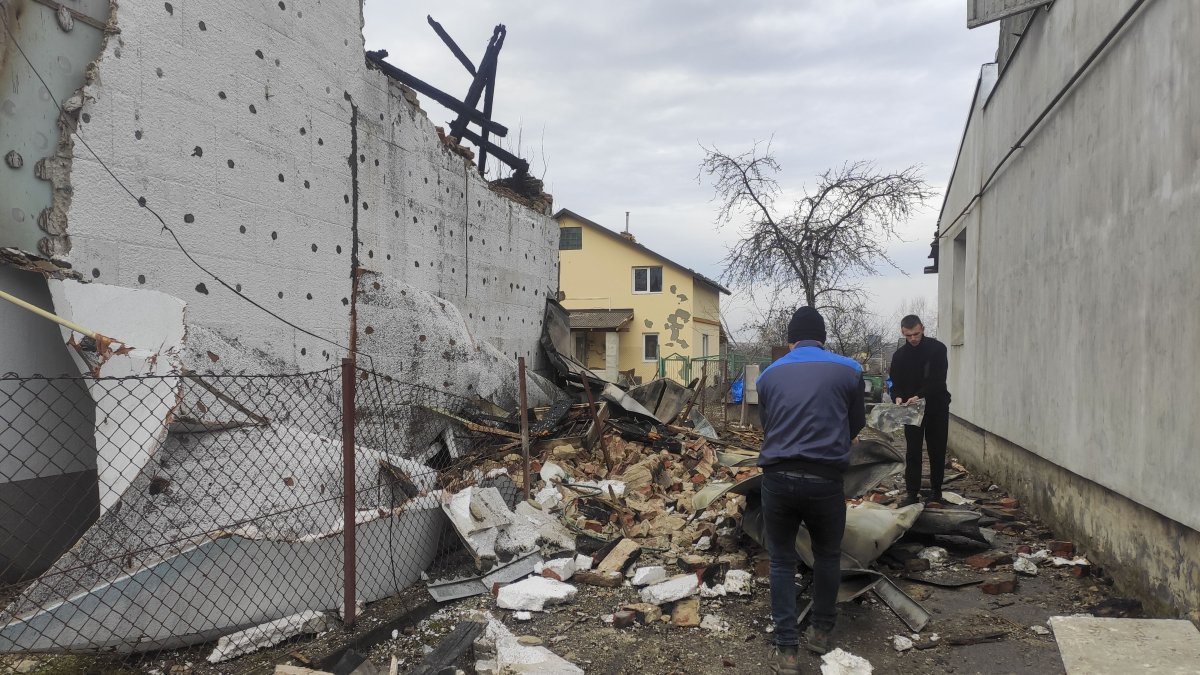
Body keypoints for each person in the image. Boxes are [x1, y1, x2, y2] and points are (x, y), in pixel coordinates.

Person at [756, 306, 866, 670]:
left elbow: (768, 426)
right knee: (828, 555)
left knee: (783, 560)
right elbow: (855, 423)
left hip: (778, 477)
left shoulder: (769, 375)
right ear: (823, 338)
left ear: (791, 340)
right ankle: (820, 633)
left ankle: (787, 650)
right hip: (825, 479)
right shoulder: (850, 370)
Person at [888, 314, 951, 507]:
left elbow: (938, 379)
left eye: (916, 334)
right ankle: (912, 492)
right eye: (909, 336)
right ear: (903, 333)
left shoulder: (937, 349)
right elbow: (893, 382)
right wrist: (897, 396)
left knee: (937, 449)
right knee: (913, 451)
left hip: (936, 406)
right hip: (911, 410)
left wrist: (920, 395)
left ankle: (936, 491)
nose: (913, 339)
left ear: (922, 328)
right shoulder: (899, 356)